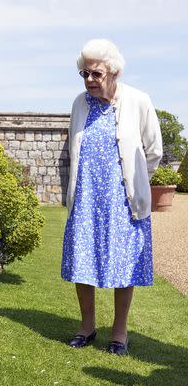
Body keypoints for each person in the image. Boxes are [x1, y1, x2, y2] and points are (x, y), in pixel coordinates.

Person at [61, 39, 162, 355]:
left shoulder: (138, 101)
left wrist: (135, 183)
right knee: (82, 262)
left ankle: (119, 331)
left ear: (114, 71)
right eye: (84, 73)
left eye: (96, 73)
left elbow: (154, 150)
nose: (89, 79)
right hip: (86, 198)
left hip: (122, 202)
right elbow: (74, 149)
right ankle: (87, 325)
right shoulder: (79, 104)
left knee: (123, 266)